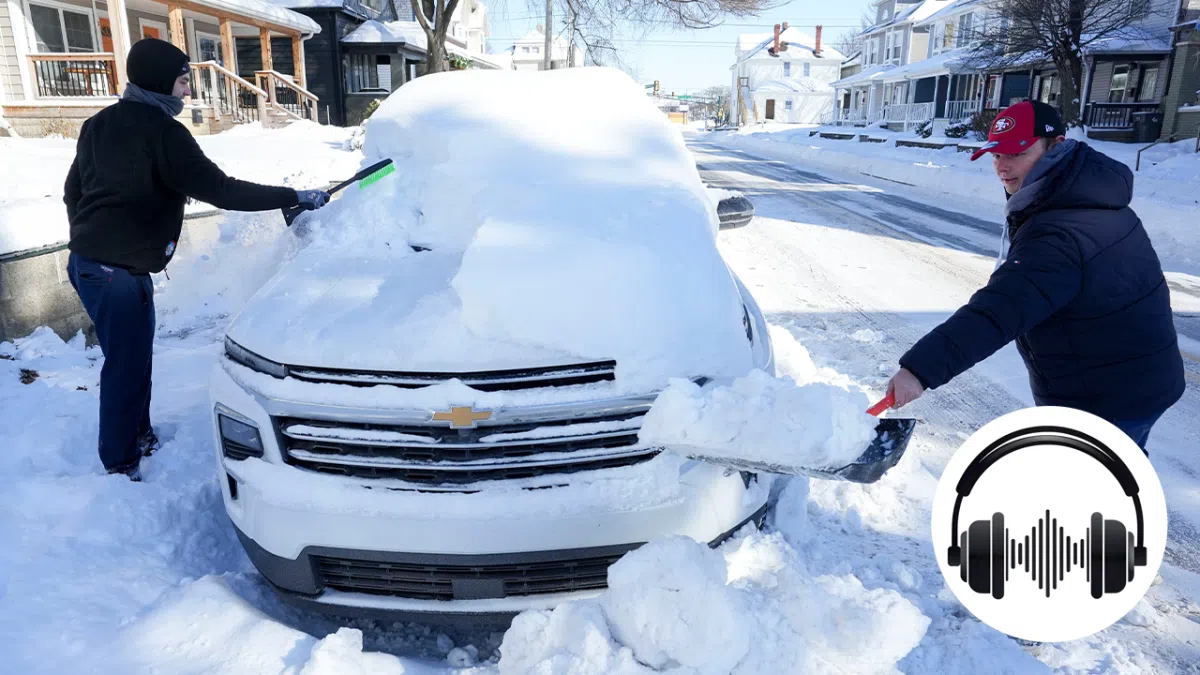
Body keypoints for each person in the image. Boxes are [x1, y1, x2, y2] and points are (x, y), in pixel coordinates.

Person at [64, 38, 331, 480]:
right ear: (159, 80)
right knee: (126, 366)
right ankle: (119, 463)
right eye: (183, 80)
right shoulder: (163, 132)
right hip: (115, 273)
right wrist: (293, 196)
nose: (188, 91)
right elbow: (220, 189)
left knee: (132, 358)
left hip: (93, 264)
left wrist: (91, 238)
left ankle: (139, 435)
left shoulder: (100, 123)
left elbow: (74, 191)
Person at [884, 100, 1184, 451]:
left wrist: (919, 371)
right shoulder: (1085, 196)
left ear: (1055, 146)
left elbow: (999, 311)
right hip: (1135, 378)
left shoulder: (1063, 229)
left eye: (1017, 153)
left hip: (1108, 397)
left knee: (1088, 492)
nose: (1002, 166)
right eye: (996, 154)